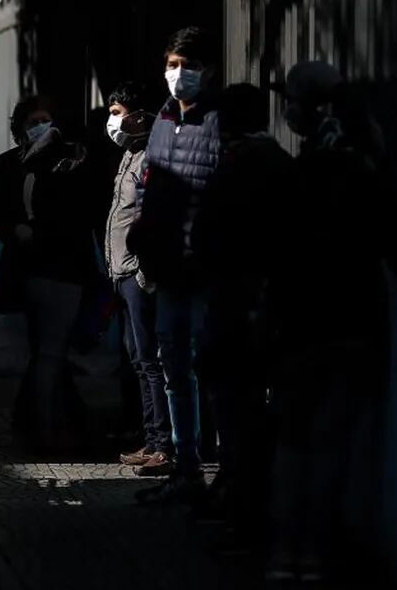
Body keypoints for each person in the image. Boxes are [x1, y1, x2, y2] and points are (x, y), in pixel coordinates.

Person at [265, 61, 390, 583]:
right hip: (349, 324)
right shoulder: (361, 173)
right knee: (331, 442)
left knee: (295, 443)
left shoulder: (296, 176)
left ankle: (287, 553)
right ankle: (317, 551)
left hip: (299, 328)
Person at [190, 83, 294, 548]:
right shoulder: (284, 167)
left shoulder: (233, 170)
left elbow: (207, 238)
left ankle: (244, 507)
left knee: (237, 412)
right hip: (269, 307)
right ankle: (250, 502)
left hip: (234, 308)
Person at [128, 27, 222, 504]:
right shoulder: (163, 121)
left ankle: (222, 470)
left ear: (208, 71)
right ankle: (186, 467)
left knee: (213, 370)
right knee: (172, 370)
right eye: (171, 64)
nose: (177, 74)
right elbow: (151, 186)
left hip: (205, 271)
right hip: (167, 270)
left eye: (187, 65)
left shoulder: (217, 123)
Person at [0, 95, 95, 451]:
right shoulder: (11, 162)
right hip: (33, 271)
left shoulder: (70, 159)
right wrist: (15, 229)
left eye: (45, 119)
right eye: (33, 121)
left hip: (61, 267)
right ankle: (48, 429)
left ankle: (44, 425)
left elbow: (78, 213)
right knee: (47, 352)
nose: (40, 127)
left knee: (49, 352)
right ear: (20, 128)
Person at [101, 82, 173, 475]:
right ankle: (152, 438)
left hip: (137, 274)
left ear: (139, 115)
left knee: (151, 362)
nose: (112, 121)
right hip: (121, 272)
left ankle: (164, 444)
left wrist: (144, 272)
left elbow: (148, 216)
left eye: (117, 112)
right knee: (137, 359)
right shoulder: (128, 155)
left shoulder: (150, 156)